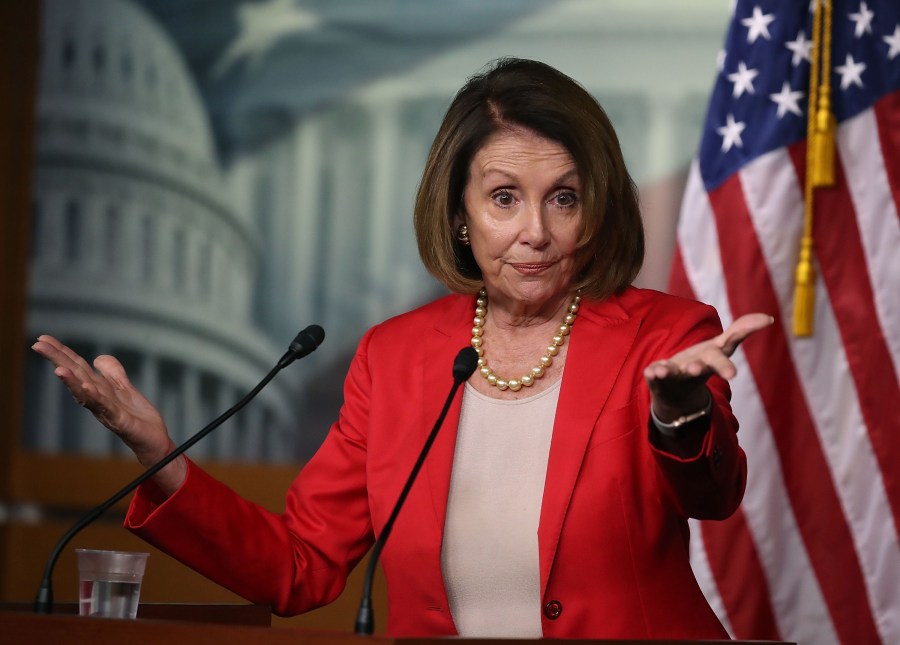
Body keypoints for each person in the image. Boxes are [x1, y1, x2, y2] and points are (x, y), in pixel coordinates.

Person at [33, 58, 772, 639]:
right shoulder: (396, 359)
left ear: (596, 208)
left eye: (565, 197)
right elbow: (302, 565)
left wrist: (679, 416)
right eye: (505, 197)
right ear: (460, 215)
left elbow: (713, 494)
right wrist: (160, 457)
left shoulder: (666, 335)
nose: (536, 232)